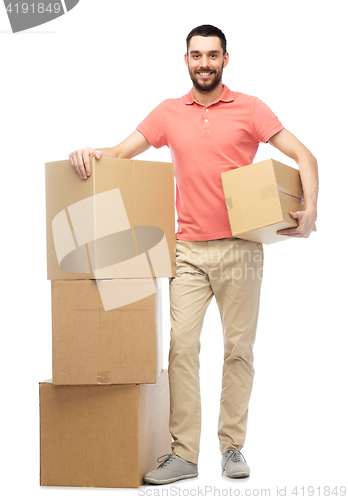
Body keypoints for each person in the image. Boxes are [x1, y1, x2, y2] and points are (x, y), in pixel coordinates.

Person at [69, 25, 318, 484]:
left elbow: (304, 155)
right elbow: (122, 154)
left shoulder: (251, 108)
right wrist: (89, 152)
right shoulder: (168, 113)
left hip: (241, 249)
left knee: (238, 350)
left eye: (213, 55)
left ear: (226, 59)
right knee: (181, 348)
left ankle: (233, 447)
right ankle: (183, 454)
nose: (204, 62)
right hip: (186, 251)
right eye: (196, 55)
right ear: (185, 60)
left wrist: (310, 207)